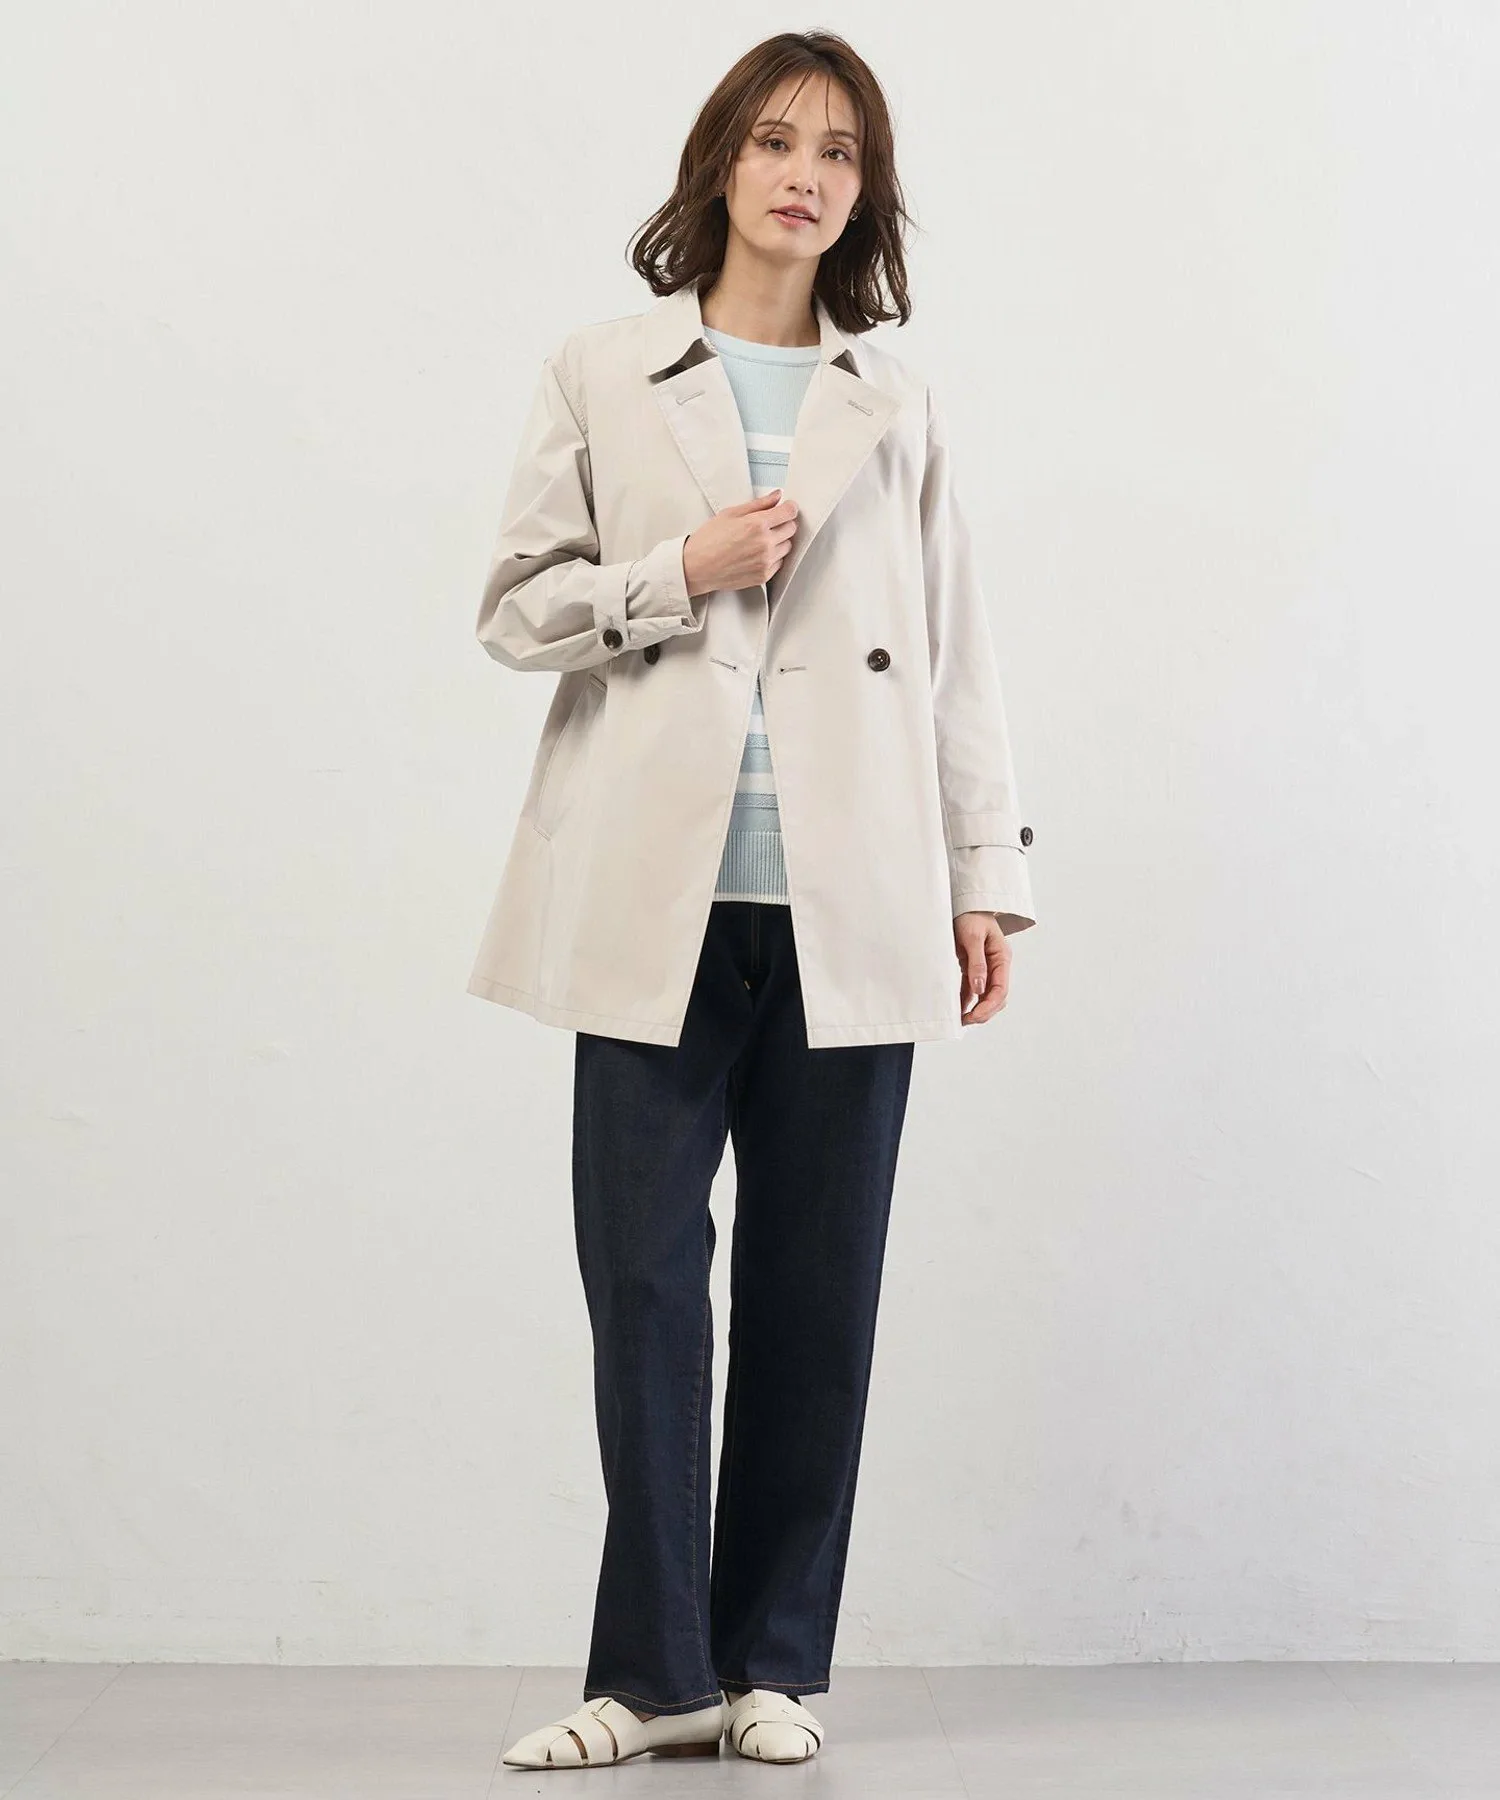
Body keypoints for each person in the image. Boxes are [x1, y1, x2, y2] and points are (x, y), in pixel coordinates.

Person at [477, 30, 1038, 1770]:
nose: (806, 175)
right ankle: (654, 1678)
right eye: (779, 140)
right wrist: (677, 572)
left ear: (867, 195)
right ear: (721, 160)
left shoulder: (898, 404)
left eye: (841, 154)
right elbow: (513, 607)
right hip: (653, 901)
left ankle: (776, 1663)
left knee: (818, 1290)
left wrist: (985, 882)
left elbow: (955, 655)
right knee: (643, 1287)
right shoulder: (603, 369)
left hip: (847, 904)